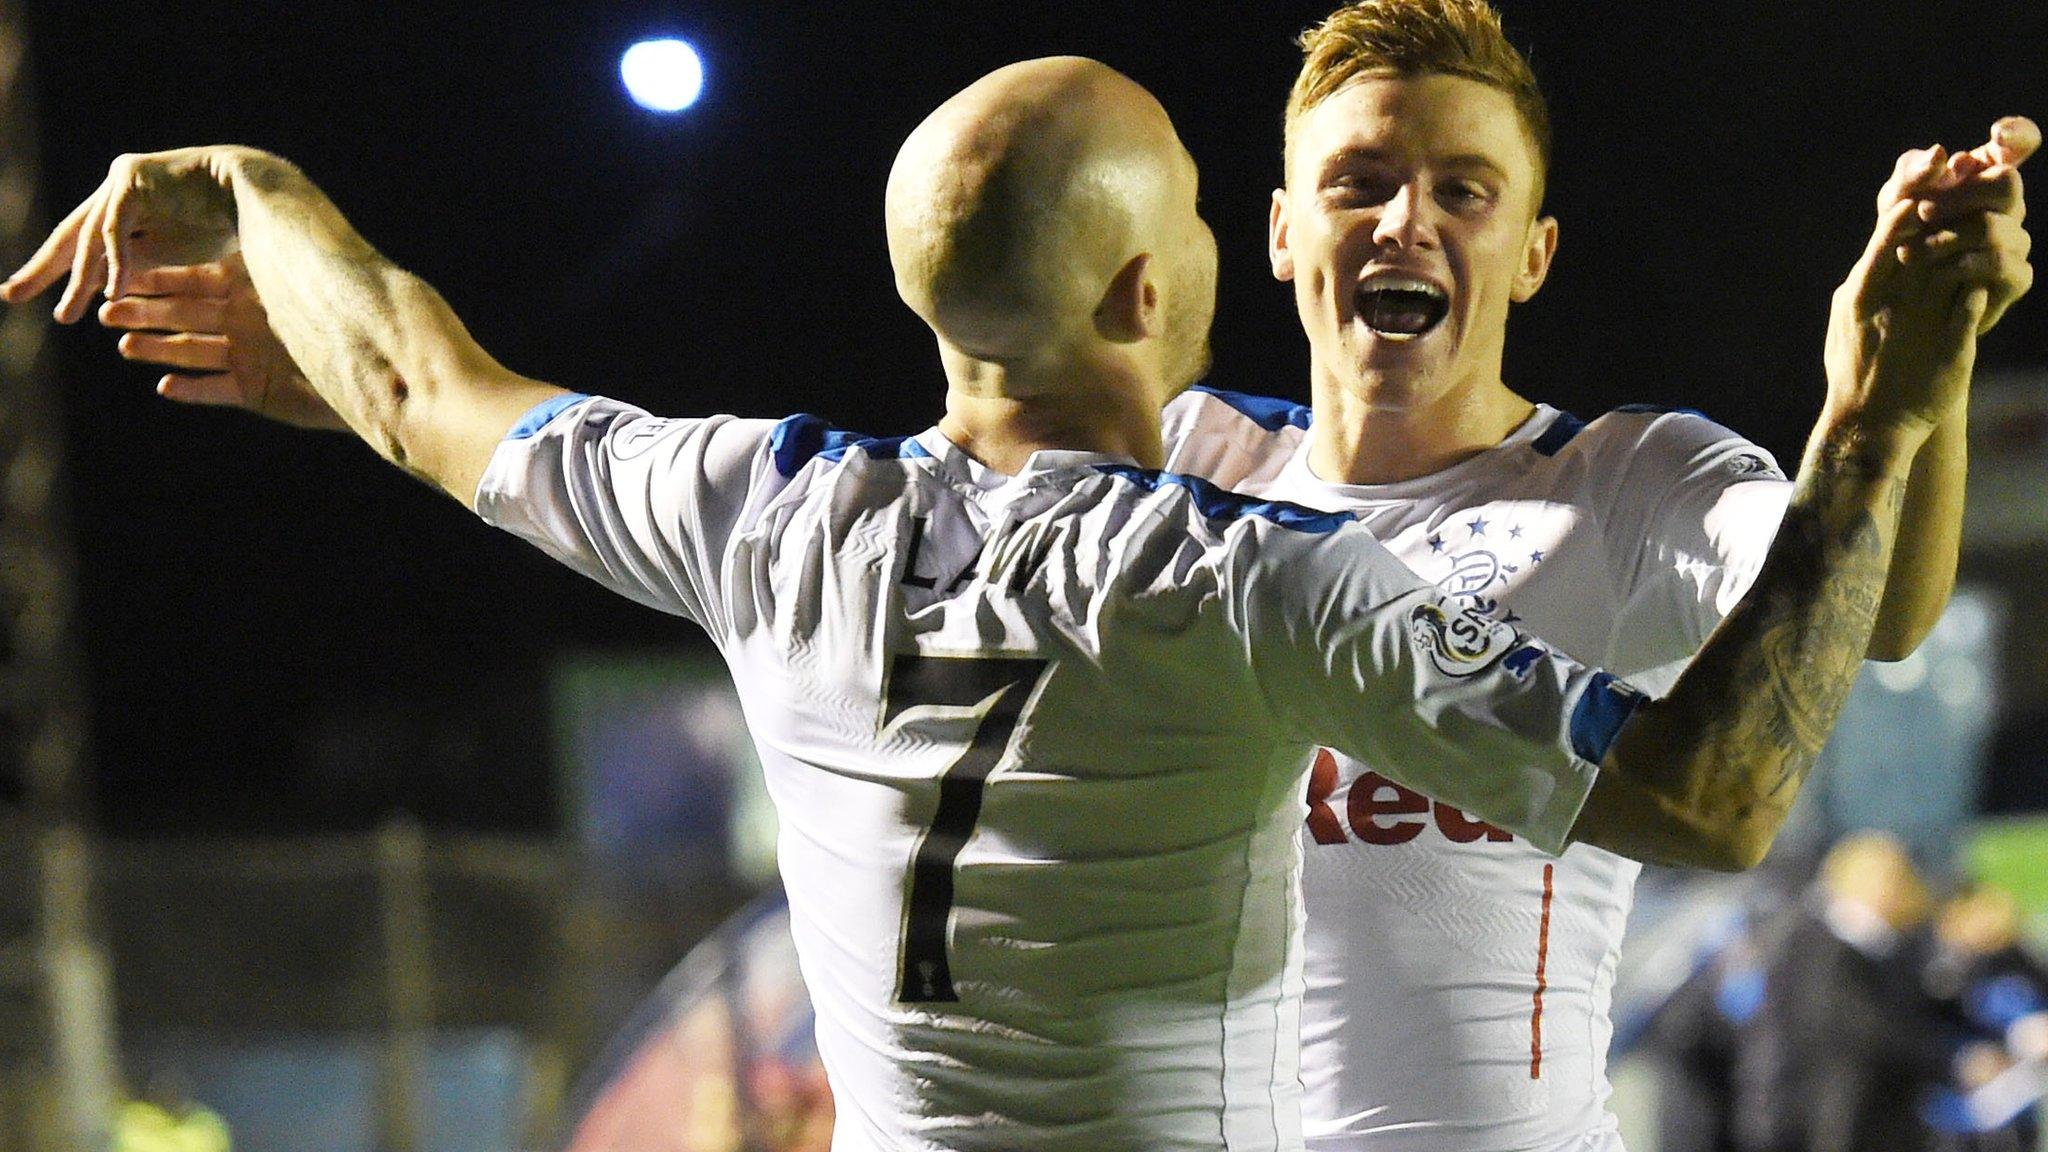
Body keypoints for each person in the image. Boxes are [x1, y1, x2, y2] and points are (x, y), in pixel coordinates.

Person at [6, 56, 2000, 1152]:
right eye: (1237, 211)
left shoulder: (762, 512)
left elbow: (419, 388)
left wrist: (259, 186)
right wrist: (1878, 402)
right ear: (1171, 286)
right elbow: (1720, 788)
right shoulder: (1240, 567)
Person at [1150, 2, 2035, 1148]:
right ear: (1279, 231)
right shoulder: (1186, 469)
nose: (1404, 221)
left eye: (1462, 190)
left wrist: (1922, 363)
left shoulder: (1628, 485)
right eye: (1357, 180)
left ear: (1531, 253)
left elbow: (1873, 614)